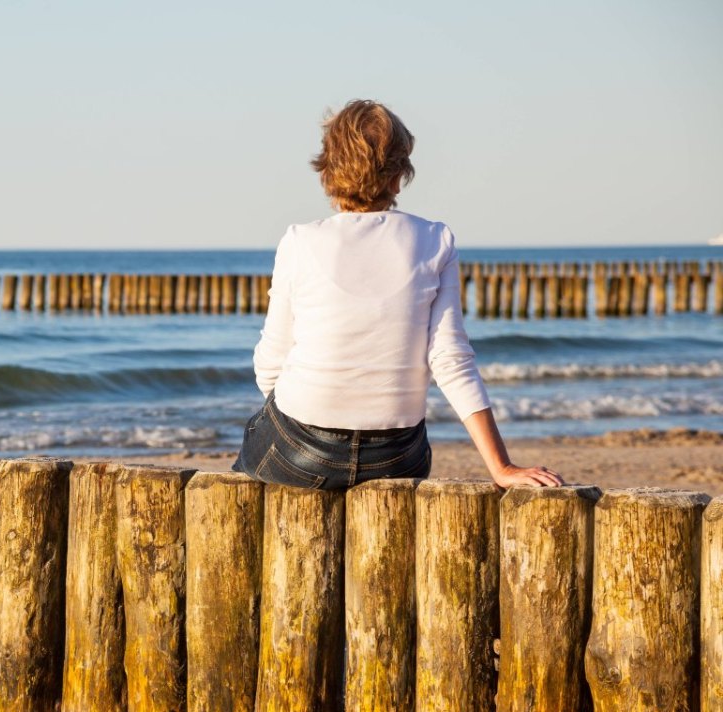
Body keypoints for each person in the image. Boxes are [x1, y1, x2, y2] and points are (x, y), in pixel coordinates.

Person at [234, 99, 563, 490]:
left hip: (303, 448)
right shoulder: (435, 240)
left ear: (329, 168)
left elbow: (270, 364)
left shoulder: (299, 241)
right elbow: (450, 358)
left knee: (254, 448)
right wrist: (501, 466)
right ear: (398, 174)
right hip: (396, 455)